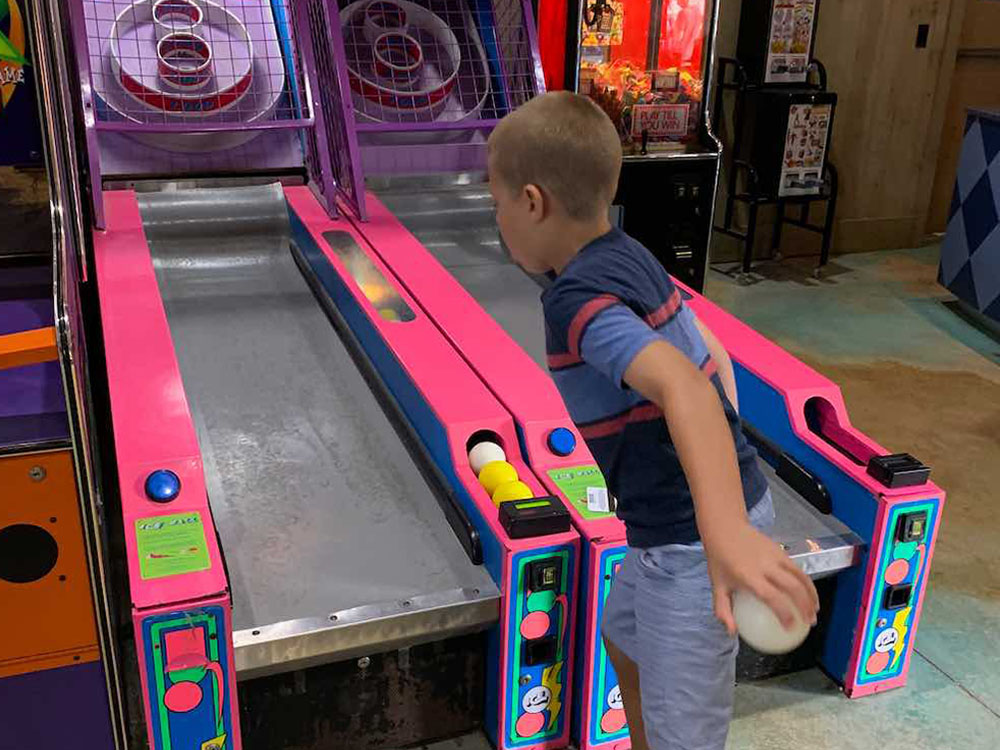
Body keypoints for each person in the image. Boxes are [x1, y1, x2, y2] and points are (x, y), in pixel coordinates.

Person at [487, 92, 819, 750]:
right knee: (624, 634)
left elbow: (683, 390)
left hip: (689, 540)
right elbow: (711, 358)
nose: (498, 220)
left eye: (496, 204)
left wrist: (721, 530)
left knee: (684, 733)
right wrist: (737, 482)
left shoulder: (577, 299)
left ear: (531, 202)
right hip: (678, 525)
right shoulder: (625, 252)